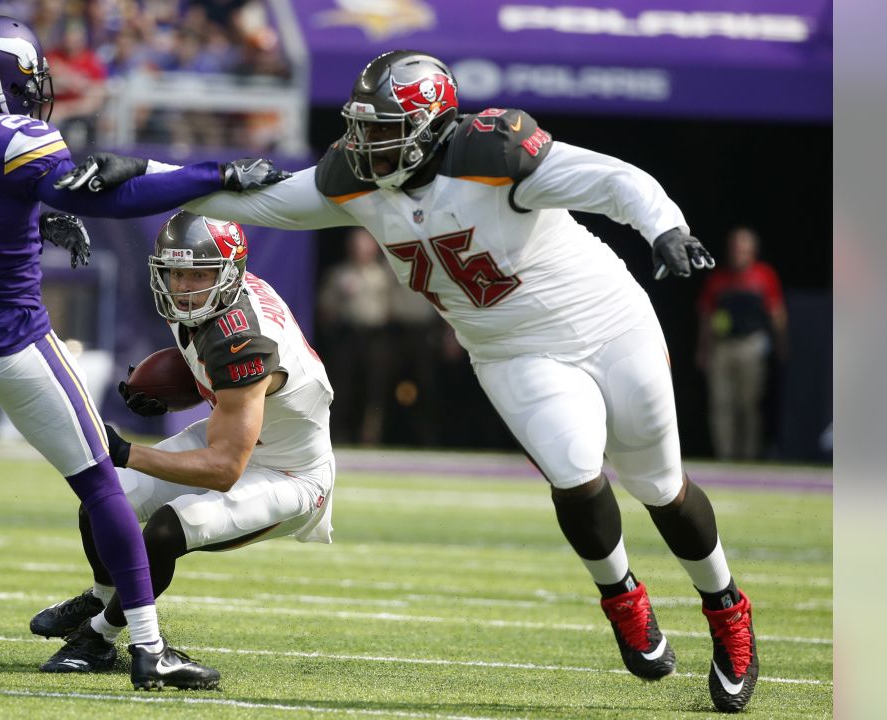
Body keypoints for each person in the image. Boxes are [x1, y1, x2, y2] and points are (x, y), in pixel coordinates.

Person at [73, 50, 759, 713]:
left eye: (382, 130)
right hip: (512, 351)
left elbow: (614, 180)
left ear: (430, 126)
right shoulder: (357, 181)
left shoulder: (494, 154)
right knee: (576, 472)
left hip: (610, 324)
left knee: (658, 484)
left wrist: (665, 227)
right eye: (361, 128)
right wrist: (146, 171)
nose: (363, 144)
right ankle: (622, 596)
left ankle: (725, 604)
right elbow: (256, 202)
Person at [0, 15, 289, 689]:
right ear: (6, 81)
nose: (39, 91)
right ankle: (149, 649)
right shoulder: (18, 141)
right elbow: (113, 197)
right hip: (9, 340)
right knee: (101, 486)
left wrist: (34, 210)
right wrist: (213, 173)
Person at [27, 211, 334, 687]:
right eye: (178, 272)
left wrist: (125, 450)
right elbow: (218, 374)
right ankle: (102, 594)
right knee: (102, 500)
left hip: (288, 472)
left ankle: (98, 635)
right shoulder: (215, 296)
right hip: (236, 432)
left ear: (228, 274)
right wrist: (180, 387)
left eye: (200, 274)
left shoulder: (244, 341)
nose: (187, 285)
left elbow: (225, 468)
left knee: (169, 527)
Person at [696, 227, 788, 461]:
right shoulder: (718, 279)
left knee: (749, 406)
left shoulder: (764, 276)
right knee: (721, 405)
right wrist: (703, 349)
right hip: (723, 348)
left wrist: (781, 344)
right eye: (735, 247)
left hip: (752, 347)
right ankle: (725, 457)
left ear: (752, 251)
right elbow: (706, 317)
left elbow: (777, 313)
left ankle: (749, 459)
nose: (739, 252)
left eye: (744, 248)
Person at [316, 228, 393, 444]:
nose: (361, 249)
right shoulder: (339, 274)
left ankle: (370, 436)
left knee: (374, 388)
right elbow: (325, 308)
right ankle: (340, 433)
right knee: (342, 387)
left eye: (366, 245)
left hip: (376, 337)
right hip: (347, 336)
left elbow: (394, 305)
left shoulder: (383, 274)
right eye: (357, 245)